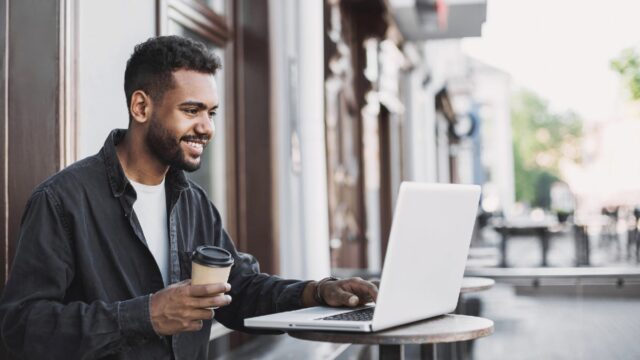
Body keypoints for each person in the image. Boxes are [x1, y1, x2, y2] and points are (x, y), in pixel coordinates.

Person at [0, 36, 378, 360]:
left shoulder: (193, 202)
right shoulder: (61, 201)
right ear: (141, 107)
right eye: (191, 110)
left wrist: (316, 292)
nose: (207, 128)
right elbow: (21, 328)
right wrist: (145, 315)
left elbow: (239, 290)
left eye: (211, 112)